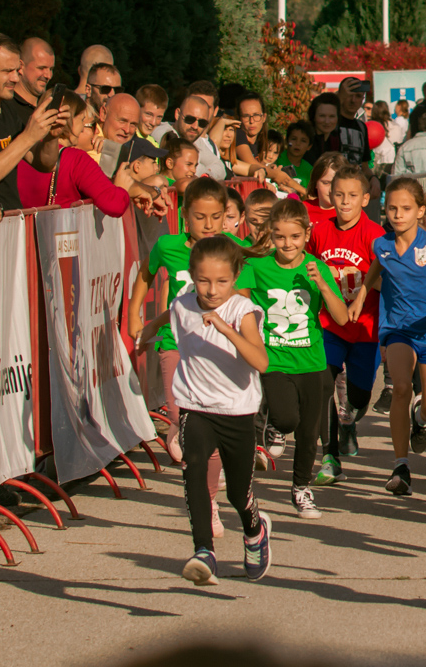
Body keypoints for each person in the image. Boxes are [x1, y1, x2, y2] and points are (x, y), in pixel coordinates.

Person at [156, 234, 272, 587]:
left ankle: (255, 531)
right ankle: (203, 551)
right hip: (195, 404)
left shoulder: (241, 310)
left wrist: (226, 329)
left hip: (236, 410)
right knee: (193, 469)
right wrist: (148, 328)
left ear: (235, 277)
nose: (211, 290)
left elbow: (261, 362)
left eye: (221, 281)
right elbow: (174, 311)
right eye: (203, 280)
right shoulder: (183, 303)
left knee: (237, 493)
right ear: (192, 276)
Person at [348, 177, 426, 496]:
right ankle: (400, 466)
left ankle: (420, 419)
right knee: (400, 387)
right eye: (392, 209)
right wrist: (361, 296)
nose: (398, 215)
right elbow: (377, 267)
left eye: (406, 209)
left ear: (420, 211)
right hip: (398, 328)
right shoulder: (382, 245)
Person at [240, 199, 347, 519]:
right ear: (270, 235)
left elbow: (341, 317)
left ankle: (301, 489)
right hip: (274, 360)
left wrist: (322, 284)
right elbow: (239, 303)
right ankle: (273, 427)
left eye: (295, 237)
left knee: (308, 435)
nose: (288, 244)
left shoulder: (317, 267)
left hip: (312, 362)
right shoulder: (257, 267)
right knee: (287, 419)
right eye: (280, 237)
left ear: (307, 234)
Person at [307, 164, 381, 484]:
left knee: (360, 397)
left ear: (365, 199)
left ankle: (349, 418)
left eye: (352, 195)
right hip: (329, 326)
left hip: (365, 328)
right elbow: (308, 267)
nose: (345, 201)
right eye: (339, 194)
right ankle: (330, 456)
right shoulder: (319, 231)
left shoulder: (374, 235)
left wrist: (365, 287)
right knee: (323, 384)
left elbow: (386, 278)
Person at [17, 95, 159, 216]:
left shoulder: (25, 150)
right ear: (69, 122)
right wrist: (122, 189)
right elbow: (114, 205)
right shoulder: (77, 159)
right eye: (90, 125)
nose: (96, 132)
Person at [0, 33, 59, 211]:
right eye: (7, 71)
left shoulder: (7, 109)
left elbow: (45, 164)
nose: (15, 79)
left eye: (16, 71)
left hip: (11, 221)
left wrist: (51, 135)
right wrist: (27, 137)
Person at [155, 94, 227, 182]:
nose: (195, 126)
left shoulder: (194, 139)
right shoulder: (164, 133)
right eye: (190, 119)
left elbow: (220, 167)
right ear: (177, 114)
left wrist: (206, 175)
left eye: (202, 122)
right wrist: (204, 173)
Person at [93, 93, 143, 178]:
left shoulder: (131, 151)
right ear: (103, 114)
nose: (127, 130)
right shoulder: (88, 143)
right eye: (122, 121)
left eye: (133, 124)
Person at [14, 37, 56, 118]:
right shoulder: (6, 108)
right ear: (21, 66)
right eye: (41, 68)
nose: (48, 76)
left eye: (51, 69)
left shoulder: (47, 110)